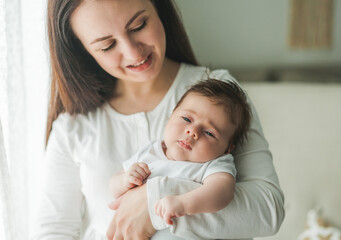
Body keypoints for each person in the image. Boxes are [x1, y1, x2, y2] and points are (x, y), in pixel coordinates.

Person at [31, 0, 285, 240]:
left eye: (138, 26)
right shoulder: (73, 127)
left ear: (157, 7)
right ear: (84, 51)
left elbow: (268, 209)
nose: (133, 52)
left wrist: (156, 206)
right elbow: (54, 230)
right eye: (107, 45)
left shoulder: (220, 98)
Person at [109, 79, 252, 228]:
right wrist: (126, 179)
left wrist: (184, 204)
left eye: (209, 133)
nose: (193, 131)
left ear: (227, 149)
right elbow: (113, 187)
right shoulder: (151, 151)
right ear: (170, 116)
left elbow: (222, 192)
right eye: (186, 119)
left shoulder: (212, 165)